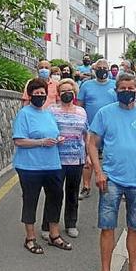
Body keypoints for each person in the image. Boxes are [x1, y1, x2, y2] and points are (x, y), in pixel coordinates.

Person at [85, 72, 136, 271]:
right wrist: (98, 172)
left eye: (131, 87)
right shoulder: (105, 113)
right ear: (116, 90)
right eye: (122, 88)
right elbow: (91, 143)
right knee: (107, 227)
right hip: (111, 180)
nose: (127, 91)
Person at [13, 78, 72, 254]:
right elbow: (19, 141)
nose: (40, 96)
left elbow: (53, 134)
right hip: (30, 166)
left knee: (55, 197)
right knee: (30, 200)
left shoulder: (48, 113)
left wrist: (57, 140)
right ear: (30, 95)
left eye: (43, 93)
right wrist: (41, 142)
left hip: (52, 164)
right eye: (36, 93)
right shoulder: (24, 114)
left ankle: (54, 234)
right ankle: (30, 238)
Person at [43, 79, 88, 239]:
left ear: (74, 93)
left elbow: (86, 134)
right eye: (63, 91)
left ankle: (71, 224)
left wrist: (88, 156)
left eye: (69, 90)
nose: (66, 93)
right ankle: (47, 225)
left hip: (77, 159)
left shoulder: (81, 112)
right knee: (54, 194)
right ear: (58, 94)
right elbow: (45, 130)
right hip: (56, 159)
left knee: (72, 193)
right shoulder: (51, 110)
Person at [77, 59, 117, 200]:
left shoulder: (114, 86)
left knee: (112, 156)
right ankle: (86, 186)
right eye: (99, 68)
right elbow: (80, 106)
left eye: (104, 68)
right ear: (94, 70)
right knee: (88, 159)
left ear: (108, 69)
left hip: (110, 128)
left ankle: (114, 185)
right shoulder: (86, 85)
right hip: (91, 128)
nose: (102, 70)